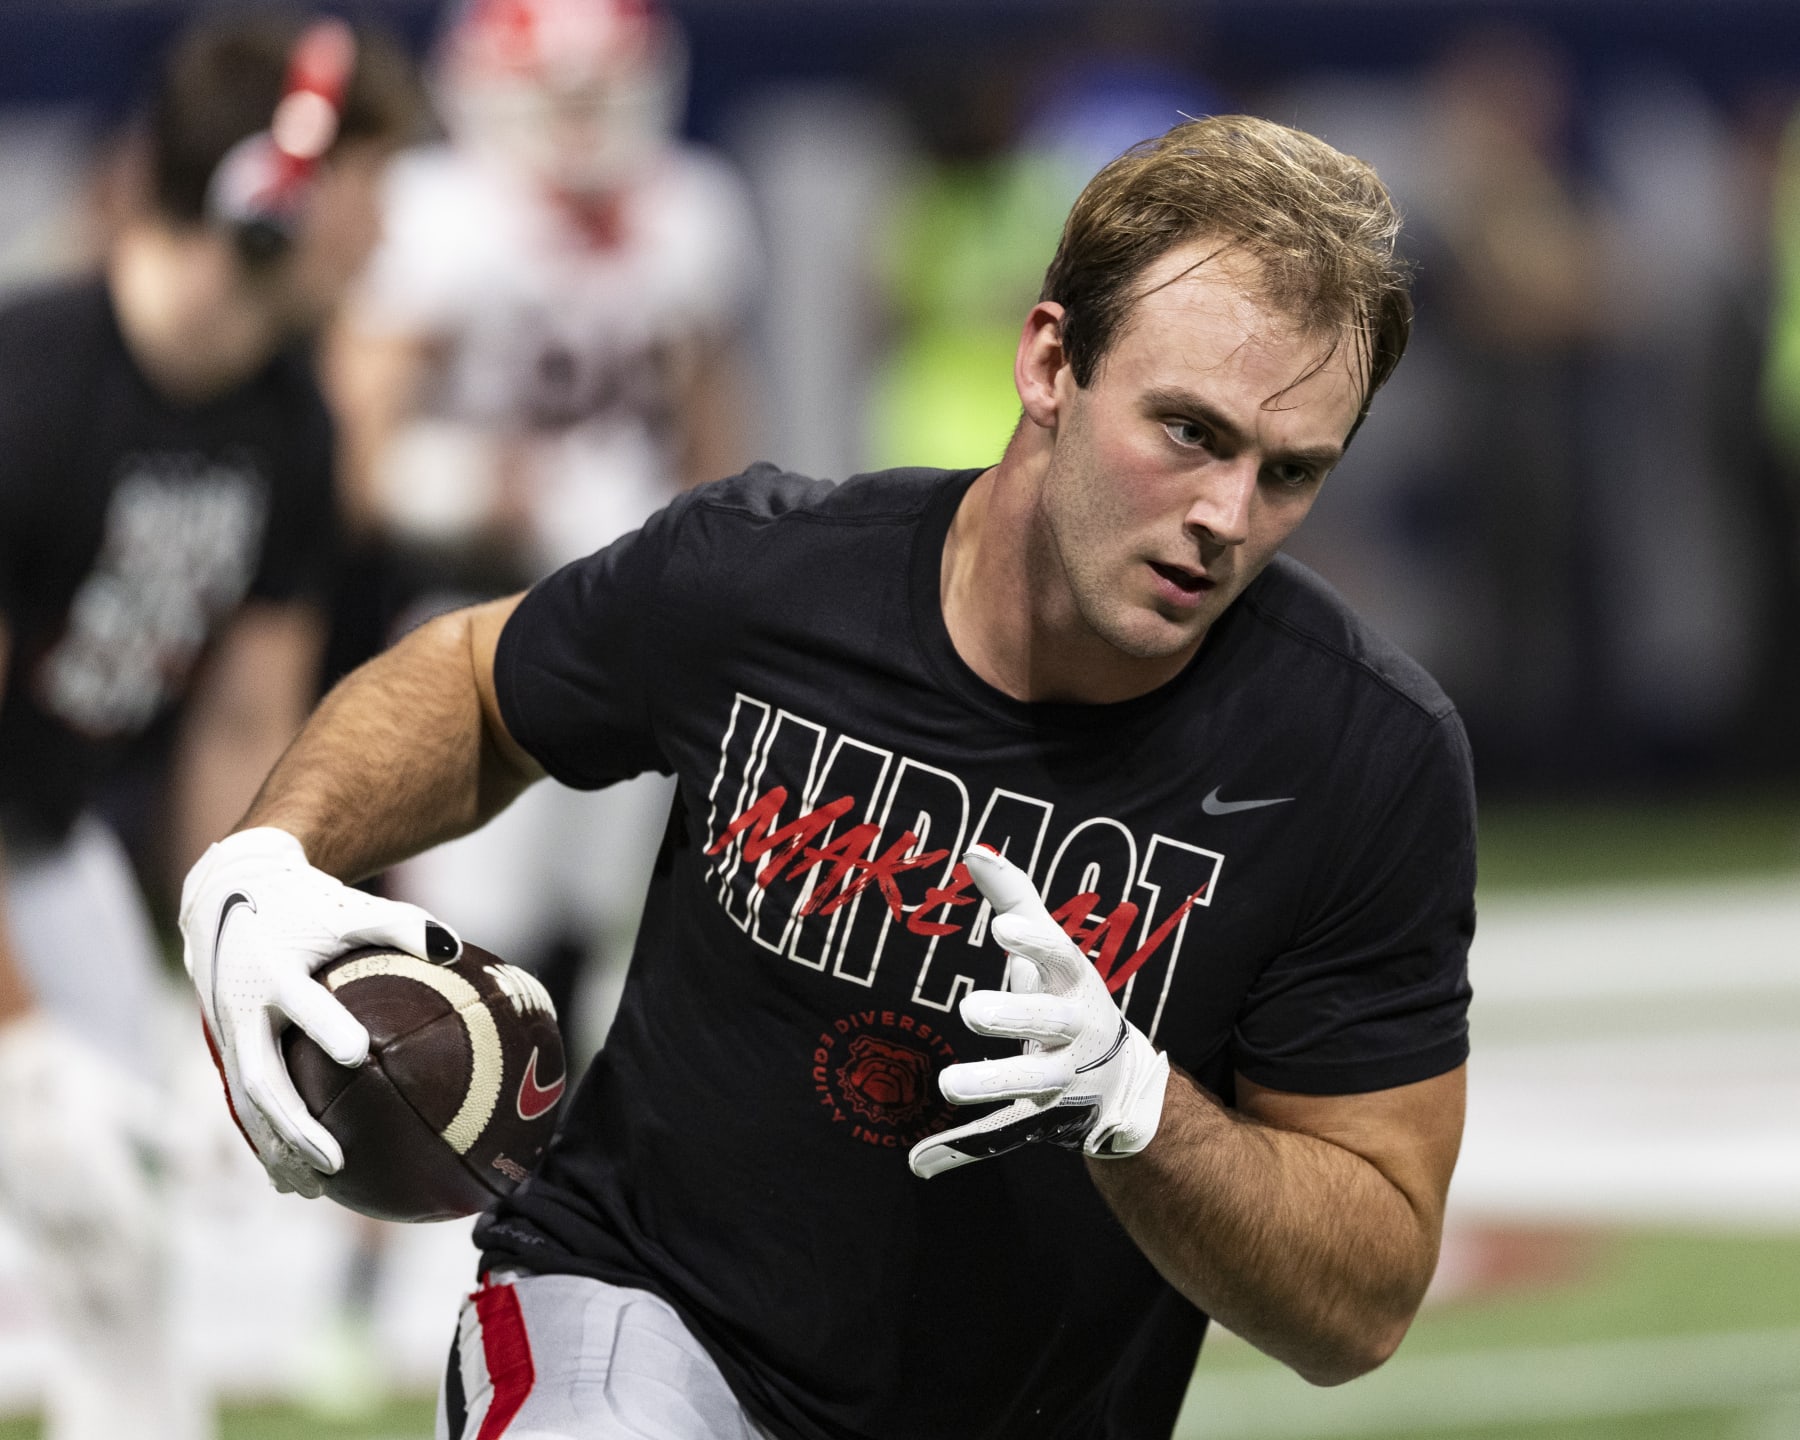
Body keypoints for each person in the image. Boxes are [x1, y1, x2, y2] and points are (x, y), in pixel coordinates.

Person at [181, 114, 1474, 1440]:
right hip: (646, 1308)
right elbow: (472, 682)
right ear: (1049, 362)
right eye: (1190, 432)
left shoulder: (1361, 757)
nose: (1228, 516)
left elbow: (1362, 1301)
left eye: (1292, 472)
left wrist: (1141, 1111)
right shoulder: (770, 580)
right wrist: (266, 857)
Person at [0, 15, 421, 1438]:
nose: (382, 233)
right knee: (62, 1117)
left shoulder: (289, 423)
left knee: (122, 1205)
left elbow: (243, 727)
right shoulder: (28, 385)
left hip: (36, 829)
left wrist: (233, 955)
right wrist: (16, 1029)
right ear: (271, 189)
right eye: (365, 190)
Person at [325, 0, 761, 1052]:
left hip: (636, 622)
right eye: (553, 95)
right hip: (482, 615)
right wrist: (481, 487)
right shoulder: (442, 213)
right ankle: (419, 1199)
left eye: (599, 93)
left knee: (614, 932)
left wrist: (713, 562)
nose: (579, 123)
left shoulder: (690, 209)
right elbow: (354, 458)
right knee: (466, 933)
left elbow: (715, 436)